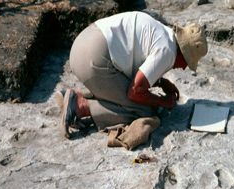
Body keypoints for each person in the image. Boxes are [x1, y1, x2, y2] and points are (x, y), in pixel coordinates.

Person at [58, 11, 208, 138]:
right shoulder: (168, 52)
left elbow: (134, 63)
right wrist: (162, 102)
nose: (184, 68)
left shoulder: (164, 33)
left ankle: (78, 95)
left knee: (132, 95)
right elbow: (135, 91)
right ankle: (80, 105)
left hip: (82, 45)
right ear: (183, 54)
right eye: (188, 62)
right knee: (142, 110)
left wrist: (161, 82)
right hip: (93, 59)